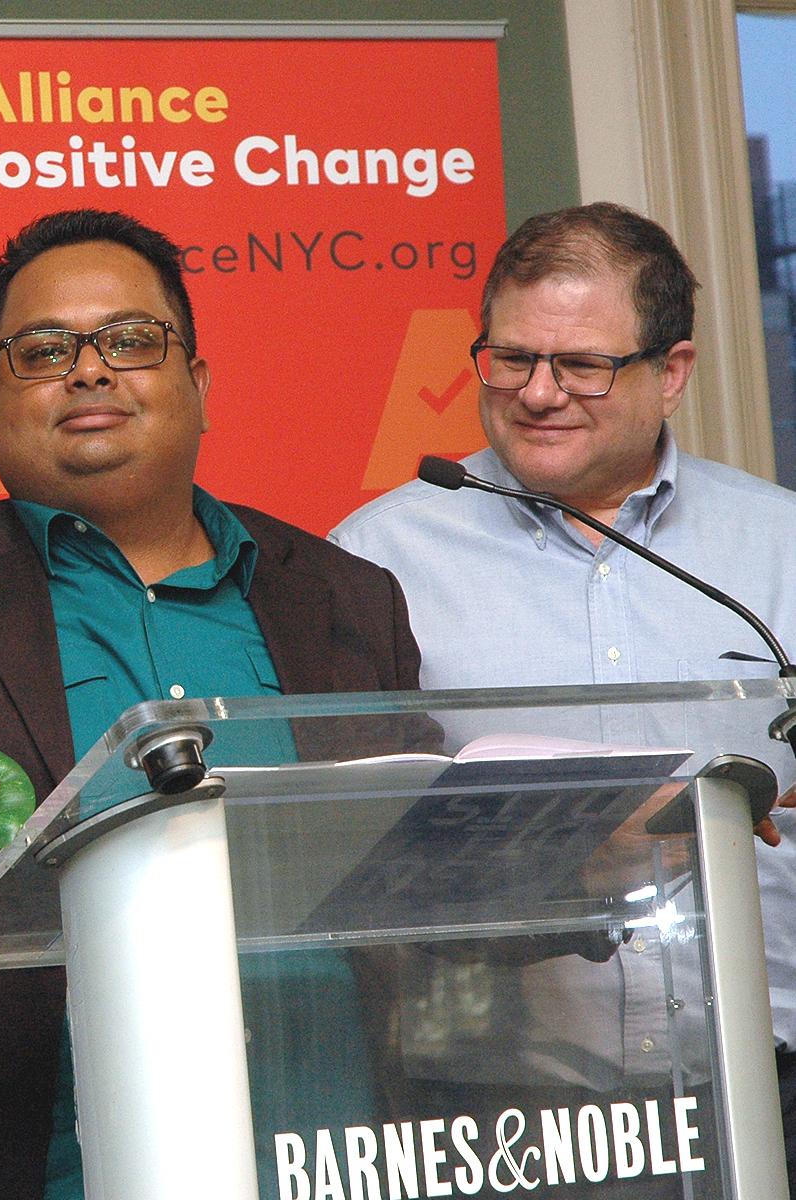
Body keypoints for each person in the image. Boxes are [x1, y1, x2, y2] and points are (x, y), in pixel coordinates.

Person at [0, 209, 423, 1199]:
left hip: (322, 1157)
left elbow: (430, 875)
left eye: (133, 340)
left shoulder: (349, 599)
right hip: (18, 1166)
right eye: (44, 350)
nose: (90, 370)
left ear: (200, 384)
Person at [331, 201, 796, 1189]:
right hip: (507, 1103)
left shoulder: (779, 547)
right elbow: (352, 851)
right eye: (510, 359)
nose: (539, 393)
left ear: (670, 373)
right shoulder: (376, 561)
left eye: (582, 364)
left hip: (773, 1078)